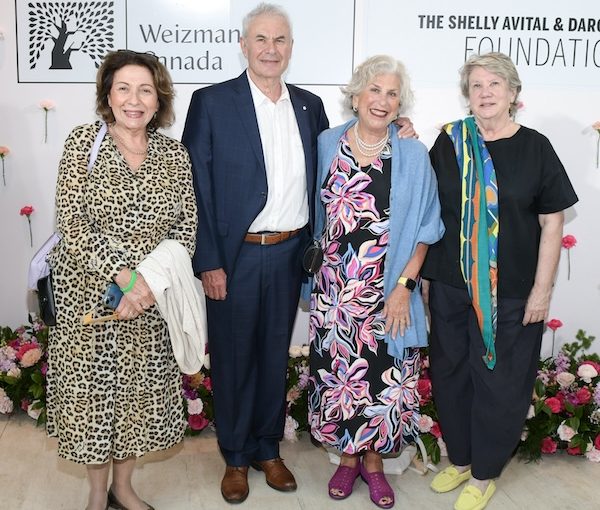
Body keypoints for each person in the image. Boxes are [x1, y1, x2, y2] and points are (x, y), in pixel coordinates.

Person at [181, 3, 416, 504]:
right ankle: (236, 457)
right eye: (261, 39)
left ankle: (268, 449)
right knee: (233, 356)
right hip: (235, 258)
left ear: (291, 48)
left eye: (280, 40)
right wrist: (209, 260)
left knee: (272, 355)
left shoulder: (310, 107)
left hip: (291, 255)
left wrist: (401, 129)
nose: (271, 49)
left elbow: (353, 154)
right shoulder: (212, 102)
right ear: (243, 45)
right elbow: (193, 187)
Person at [421, 52, 578, 510]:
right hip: (450, 284)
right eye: (476, 86)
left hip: (510, 291)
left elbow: (553, 223)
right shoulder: (450, 142)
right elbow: (430, 211)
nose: (485, 93)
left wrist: (543, 289)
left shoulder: (536, 147)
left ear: (513, 93)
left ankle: (486, 471)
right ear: (467, 96)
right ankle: (463, 458)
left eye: (495, 84)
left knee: (500, 382)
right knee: (450, 376)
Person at [46, 50, 198, 510]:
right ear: (107, 96)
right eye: (124, 88)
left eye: (145, 90)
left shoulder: (174, 154)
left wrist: (147, 287)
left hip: (150, 302)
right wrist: (126, 278)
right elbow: (71, 224)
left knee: (136, 399)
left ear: (158, 100)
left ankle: (124, 488)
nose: (134, 100)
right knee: (92, 401)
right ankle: (96, 494)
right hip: (89, 300)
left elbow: (185, 228)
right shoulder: (82, 144)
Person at [307, 55, 445, 509]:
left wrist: (405, 287)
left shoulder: (411, 152)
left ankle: (373, 463)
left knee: (383, 379)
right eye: (374, 91)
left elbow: (427, 228)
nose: (382, 101)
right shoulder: (327, 142)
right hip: (334, 292)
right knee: (340, 377)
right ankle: (347, 459)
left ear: (399, 103)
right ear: (356, 95)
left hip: (388, 293)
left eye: (392, 94)